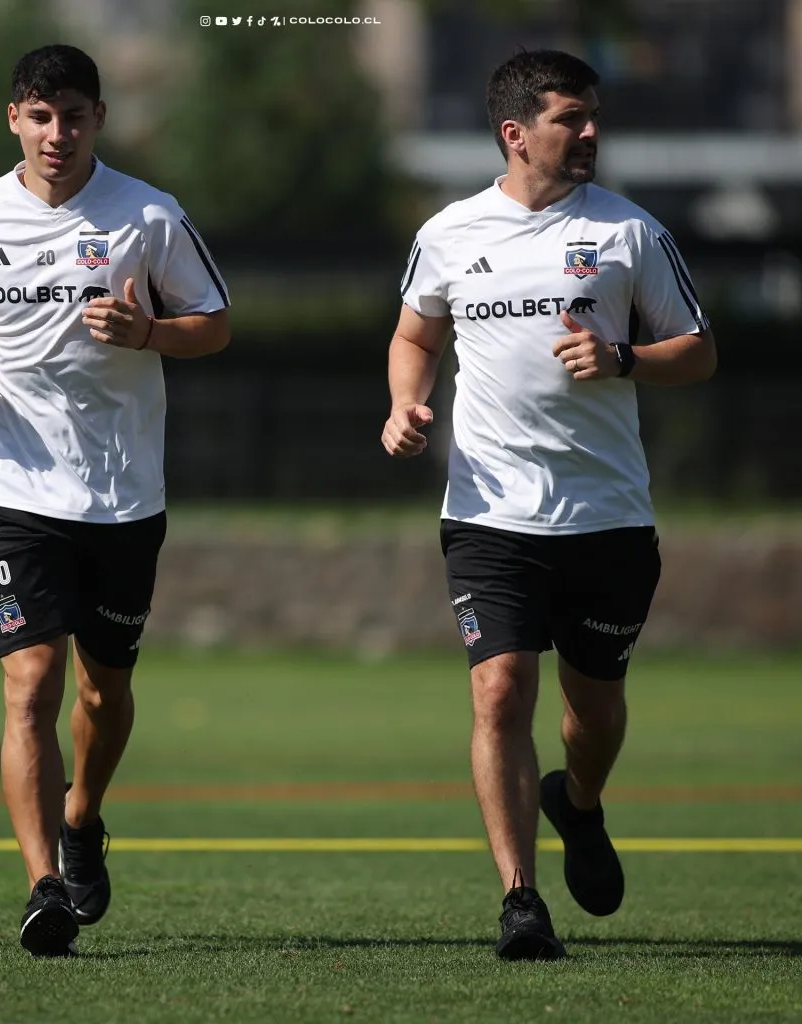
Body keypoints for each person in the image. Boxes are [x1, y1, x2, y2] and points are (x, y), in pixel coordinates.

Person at [382, 49, 715, 960]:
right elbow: (415, 334)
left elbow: (697, 350)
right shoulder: (449, 231)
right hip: (488, 514)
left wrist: (624, 359)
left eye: (594, 115)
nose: (591, 133)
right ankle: (520, 901)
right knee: (499, 692)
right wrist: (404, 403)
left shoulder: (629, 233)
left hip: (606, 517)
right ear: (515, 132)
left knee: (594, 708)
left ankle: (581, 799)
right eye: (573, 118)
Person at [0, 44, 230, 957]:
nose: (58, 133)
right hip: (13, 490)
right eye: (41, 114)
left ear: (99, 118)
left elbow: (213, 326)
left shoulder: (147, 215)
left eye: (75, 115)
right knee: (31, 685)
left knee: (103, 691)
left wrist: (146, 331)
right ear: (13, 117)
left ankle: (83, 818)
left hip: (122, 495)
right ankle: (43, 886)